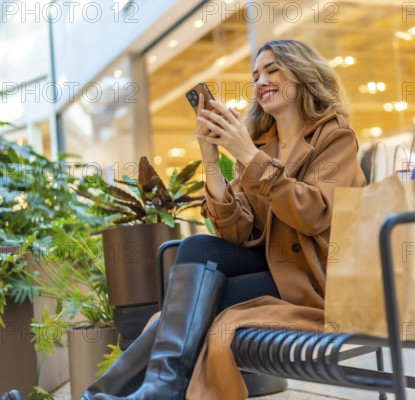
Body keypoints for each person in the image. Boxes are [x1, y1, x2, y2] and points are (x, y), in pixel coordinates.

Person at [0, 39, 366, 400]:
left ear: (303, 76)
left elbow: (314, 214)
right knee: (195, 246)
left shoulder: (334, 137)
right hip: (271, 270)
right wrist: (210, 157)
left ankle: (122, 394)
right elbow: (234, 232)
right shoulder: (261, 145)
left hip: (312, 282)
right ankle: (144, 392)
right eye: (255, 75)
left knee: (178, 313)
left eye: (273, 70)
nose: (260, 81)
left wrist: (248, 155)